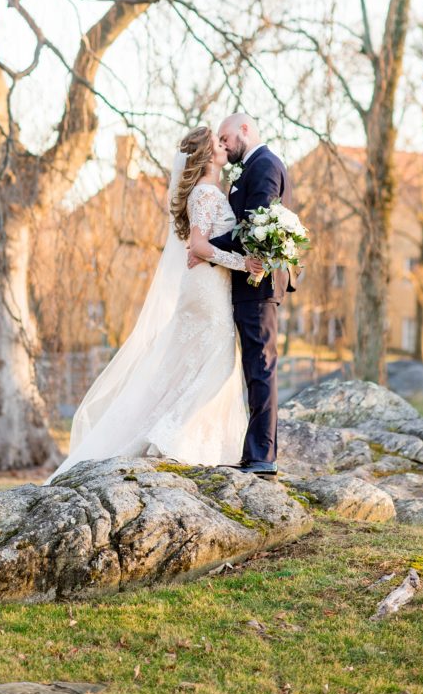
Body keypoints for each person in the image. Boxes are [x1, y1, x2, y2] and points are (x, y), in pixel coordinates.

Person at [43, 125, 262, 482]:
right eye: (217, 144)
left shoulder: (208, 191)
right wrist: (244, 263)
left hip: (209, 285)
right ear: (207, 156)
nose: (224, 146)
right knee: (216, 363)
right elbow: (199, 247)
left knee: (193, 363)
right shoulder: (206, 194)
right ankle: (173, 437)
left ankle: (175, 434)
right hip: (207, 287)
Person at [188, 113, 295, 478]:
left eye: (226, 136)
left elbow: (253, 227)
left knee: (261, 368)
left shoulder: (264, 165)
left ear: (245, 130)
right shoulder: (248, 168)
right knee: (253, 368)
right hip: (244, 282)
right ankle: (254, 452)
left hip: (258, 284)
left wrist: (204, 247)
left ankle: (262, 456)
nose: (223, 143)